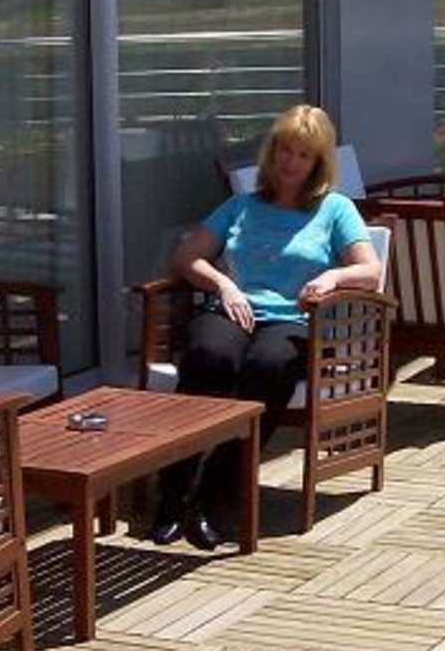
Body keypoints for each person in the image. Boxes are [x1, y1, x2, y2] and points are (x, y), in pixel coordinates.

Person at [153, 103, 382, 549]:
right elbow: (186, 256)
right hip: (234, 309)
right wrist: (223, 285)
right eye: (285, 151)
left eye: (303, 155)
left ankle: (213, 496)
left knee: (269, 366)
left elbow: (370, 271)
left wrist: (333, 277)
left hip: (292, 318)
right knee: (209, 356)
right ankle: (173, 493)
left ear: (318, 162)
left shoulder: (334, 209)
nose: (291, 162)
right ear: (271, 153)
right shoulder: (241, 206)